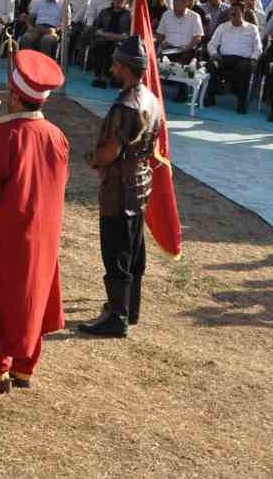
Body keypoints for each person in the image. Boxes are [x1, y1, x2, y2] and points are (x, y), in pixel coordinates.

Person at [0, 49, 69, 392]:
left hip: (3, 233)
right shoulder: (57, 136)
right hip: (43, 233)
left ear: (16, 97)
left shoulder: (5, 135)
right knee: (33, 295)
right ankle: (24, 369)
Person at [77, 36, 163, 338]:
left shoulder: (126, 105)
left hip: (119, 187)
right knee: (134, 250)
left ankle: (118, 315)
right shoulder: (151, 99)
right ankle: (130, 306)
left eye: (116, 63)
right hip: (140, 184)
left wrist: (92, 159)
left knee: (116, 253)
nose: (112, 67)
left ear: (126, 68)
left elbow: (110, 151)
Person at [205, 6, 263, 114]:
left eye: (236, 13)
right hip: (224, 58)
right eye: (232, 14)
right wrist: (214, 54)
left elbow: (258, 47)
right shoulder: (222, 27)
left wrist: (254, 59)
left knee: (244, 68)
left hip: (243, 60)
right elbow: (211, 44)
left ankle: (241, 103)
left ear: (243, 13)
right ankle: (210, 98)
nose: (234, 16)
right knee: (213, 64)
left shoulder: (252, 28)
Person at [88, 0, 133, 88]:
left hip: (120, 41)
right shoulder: (104, 12)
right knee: (99, 46)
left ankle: (109, 76)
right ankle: (99, 76)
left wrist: (114, 37)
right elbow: (96, 27)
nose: (118, 0)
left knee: (114, 48)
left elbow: (129, 32)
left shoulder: (128, 15)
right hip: (104, 38)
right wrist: (105, 35)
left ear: (124, 0)